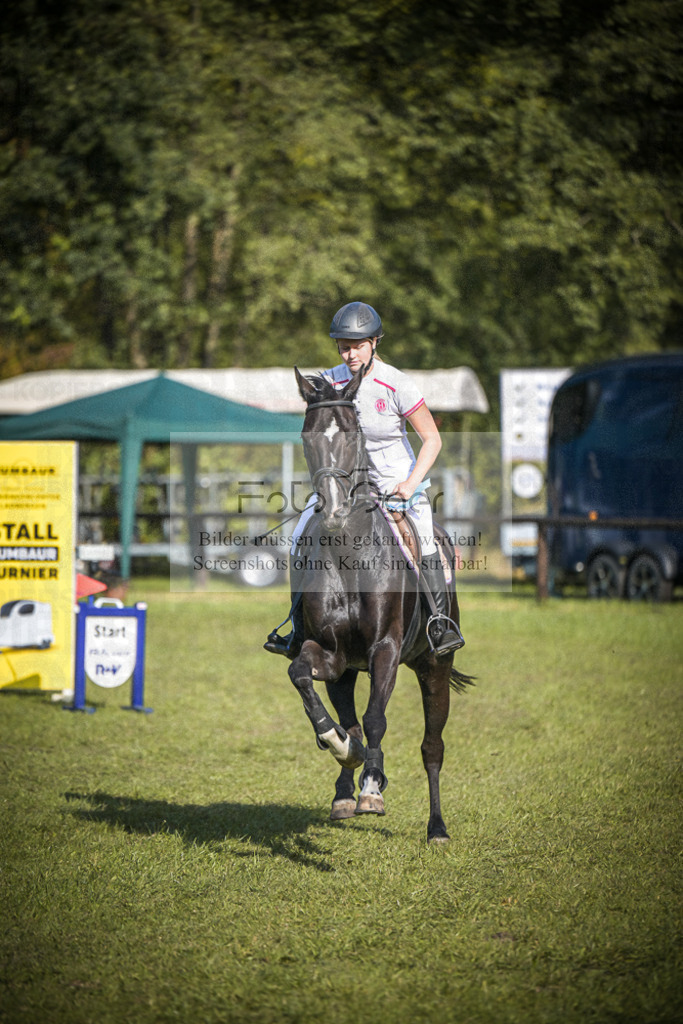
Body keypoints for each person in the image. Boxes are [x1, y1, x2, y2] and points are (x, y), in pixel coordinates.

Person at [264, 300, 464, 658]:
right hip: (345, 484)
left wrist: (411, 482)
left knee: (426, 538)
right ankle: (296, 626)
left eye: (357, 345)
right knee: (299, 536)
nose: (350, 353)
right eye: (344, 346)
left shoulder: (396, 383)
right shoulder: (329, 380)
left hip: (395, 480)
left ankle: (439, 624)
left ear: (375, 342)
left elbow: (432, 439)